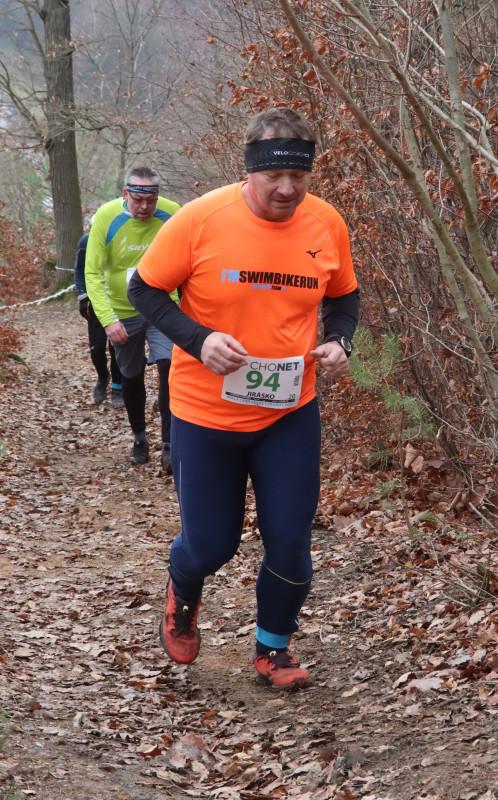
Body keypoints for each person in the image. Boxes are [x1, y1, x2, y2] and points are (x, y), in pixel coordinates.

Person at [129, 109, 360, 689]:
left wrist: (340, 341)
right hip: (206, 414)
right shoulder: (201, 220)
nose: (286, 190)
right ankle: (183, 591)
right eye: (273, 177)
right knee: (211, 545)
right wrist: (198, 340)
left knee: (291, 540)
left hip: (289, 412)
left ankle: (272, 651)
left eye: (298, 177)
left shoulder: (326, 223)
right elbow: (144, 289)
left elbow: (345, 298)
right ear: (248, 171)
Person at [85, 167, 180, 471]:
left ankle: (170, 443)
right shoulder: (107, 216)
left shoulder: (172, 214)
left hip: (162, 306)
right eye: (138, 200)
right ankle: (139, 436)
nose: (145, 207)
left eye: (151, 201)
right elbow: (92, 272)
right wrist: (108, 319)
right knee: (131, 374)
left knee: (170, 370)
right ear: (126, 194)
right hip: (123, 311)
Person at [74, 232, 124, 406]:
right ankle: (103, 377)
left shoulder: (122, 237)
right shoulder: (86, 240)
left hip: (118, 300)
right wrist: (82, 297)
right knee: (96, 348)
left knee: (116, 345)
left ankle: (117, 387)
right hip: (95, 302)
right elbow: (79, 271)